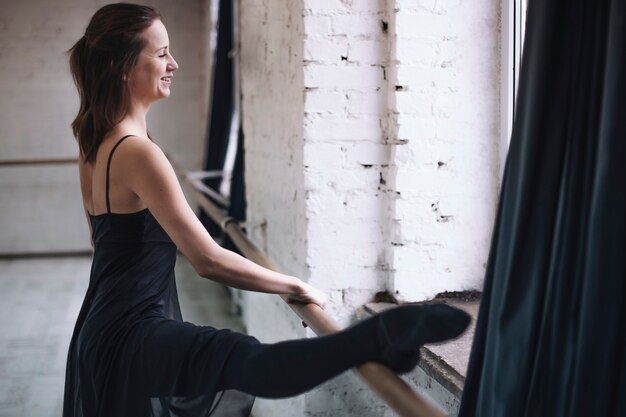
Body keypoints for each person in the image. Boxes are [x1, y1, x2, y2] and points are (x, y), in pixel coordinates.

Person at [64, 3, 471, 417]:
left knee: (243, 360)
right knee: (249, 361)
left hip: (102, 328)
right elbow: (207, 259)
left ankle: (378, 343)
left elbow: (103, 242)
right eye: (160, 53)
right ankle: (375, 338)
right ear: (121, 66)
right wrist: (293, 285)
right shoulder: (139, 153)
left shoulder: (94, 142)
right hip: (131, 332)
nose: (174, 63)